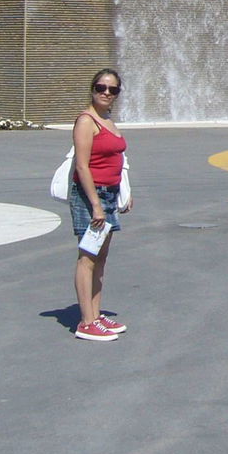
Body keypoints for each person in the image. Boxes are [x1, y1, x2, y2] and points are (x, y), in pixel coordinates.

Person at [70, 68, 129, 342]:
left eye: (112, 89)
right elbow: (82, 165)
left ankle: (96, 312)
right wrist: (95, 205)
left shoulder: (107, 119)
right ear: (92, 89)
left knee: (101, 257)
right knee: (88, 257)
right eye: (101, 87)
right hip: (90, 196)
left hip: (109, 194)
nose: (106, 93)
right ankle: (86, 321)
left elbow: (118, 160)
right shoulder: (86, 121)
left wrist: (124, 192)